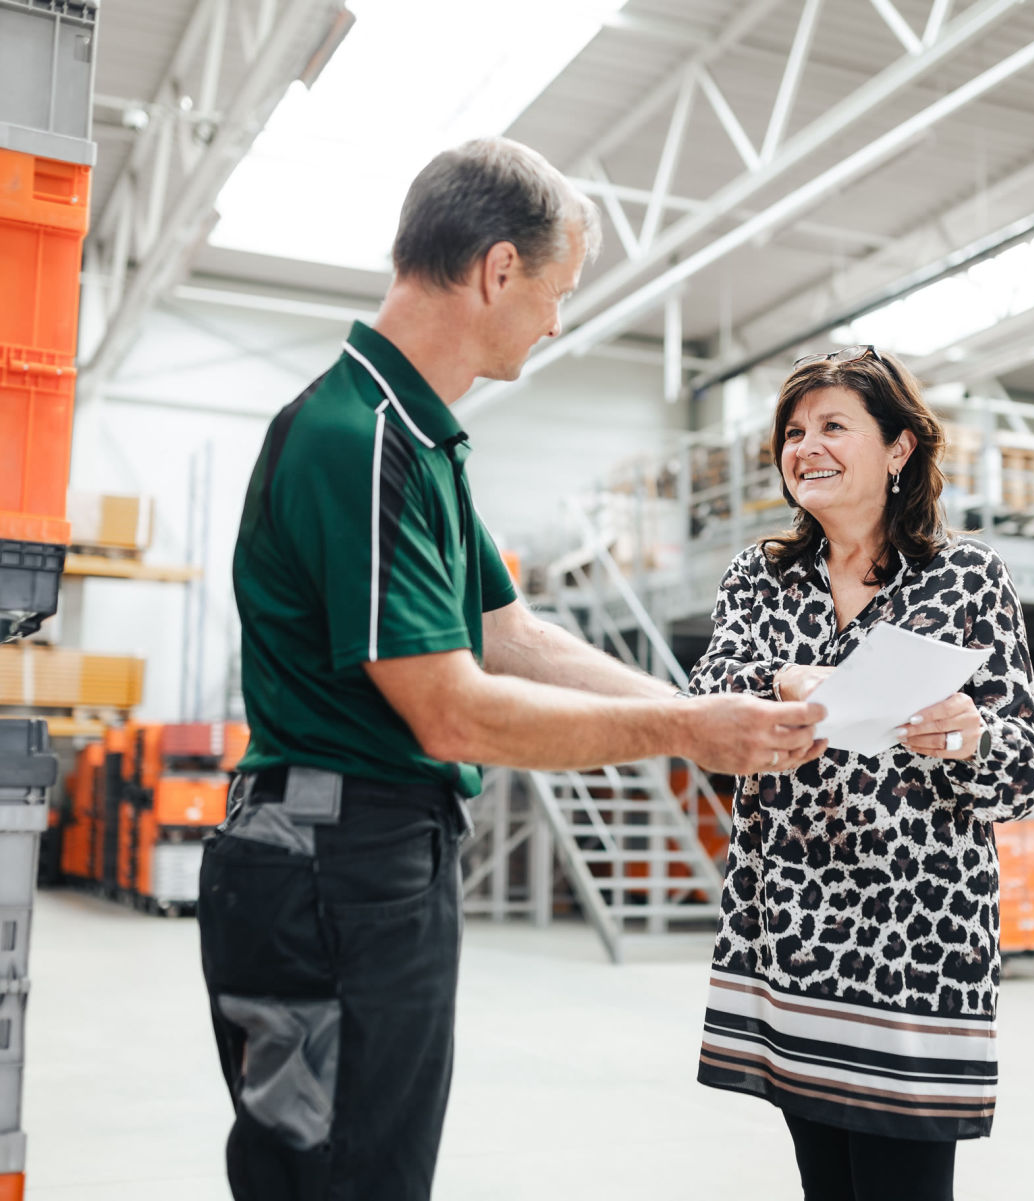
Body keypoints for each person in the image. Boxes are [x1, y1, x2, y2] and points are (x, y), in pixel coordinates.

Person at [197, 136, 826, 1201]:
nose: (556, 320)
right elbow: (452, 712)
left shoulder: (418, 438)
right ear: (497, 270)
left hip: (373, 858)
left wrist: (699, 707)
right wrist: (682, 736)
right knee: (339, 1179)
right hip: (332, 865)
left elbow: (509, 633)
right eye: (555, 291)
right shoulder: (355, 437)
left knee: (374, 1165)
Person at [687, 344, 1034, 1201]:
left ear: (898, 448)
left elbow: (1029, 774)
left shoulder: (966, 577)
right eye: (792, 431)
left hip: (919, 942)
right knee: (828, 1184)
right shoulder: (761, 580)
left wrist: (969, 735)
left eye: (831, 426)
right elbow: (705, 712)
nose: (804, 446)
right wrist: (779, 683)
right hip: (792, 931)